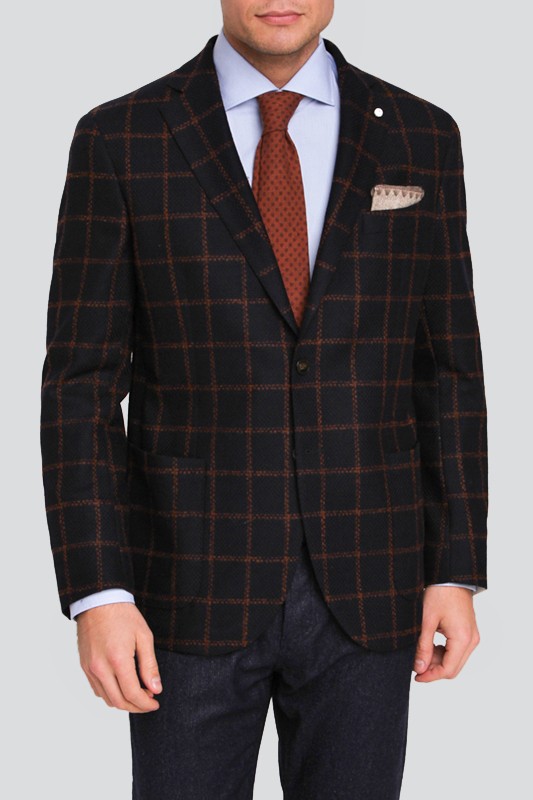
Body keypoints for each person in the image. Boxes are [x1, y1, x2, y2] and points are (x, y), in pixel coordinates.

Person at [40, 1, 488, 797]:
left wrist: (454, 568)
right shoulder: (122, 137)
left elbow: (447, 369)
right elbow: (80, 386)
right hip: (184, 585)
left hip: (371, 580)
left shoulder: (421, 134)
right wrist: (98, 592)